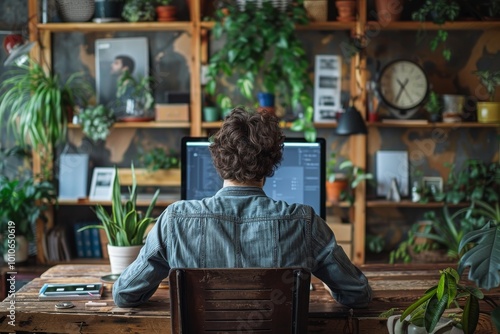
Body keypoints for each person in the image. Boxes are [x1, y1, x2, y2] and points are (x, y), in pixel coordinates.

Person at [112, 107, 372, 308]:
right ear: (272, 164)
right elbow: (358, 294)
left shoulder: (174, 220)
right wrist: (331, 286)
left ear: (218, 160)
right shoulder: (304, 222)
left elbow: (124, 294)